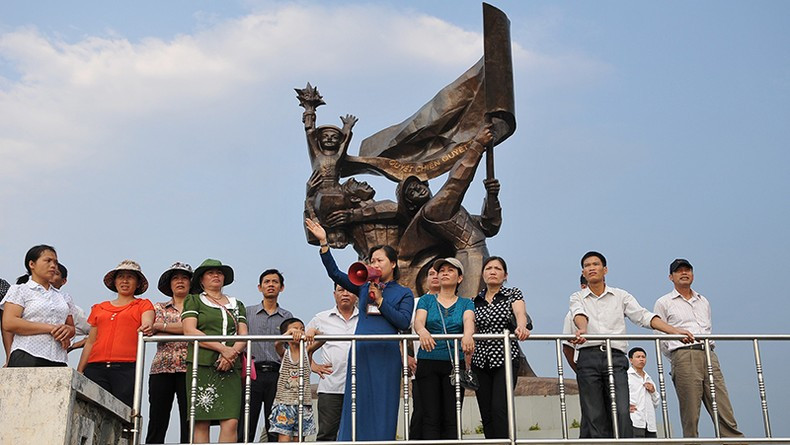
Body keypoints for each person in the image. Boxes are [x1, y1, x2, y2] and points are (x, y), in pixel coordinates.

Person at [305, 217, 414, 441]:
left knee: (384, 404)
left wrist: (381, 301)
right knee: (358, 403)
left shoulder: (404, 293)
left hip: (387, 354)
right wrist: (324, 243)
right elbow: (335, 273)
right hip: (362, 352)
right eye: (372, 260)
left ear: (393, 264)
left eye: (380, 260)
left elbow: (403, 322)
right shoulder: (363, 287)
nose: (375, 264)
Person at [570, 251, 693, 438]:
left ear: (605, 269)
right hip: (589, 356)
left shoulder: (620, 296)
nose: (591, 268)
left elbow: (642, 316)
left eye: (595, 264)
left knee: (622, 410)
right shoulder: (577, 297)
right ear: (583, 272)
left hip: (615, 357)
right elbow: (579, 314)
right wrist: (583, 329)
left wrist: (673, 330)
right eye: (587, 266)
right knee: (594, 413)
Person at [654, 258, 744, 439]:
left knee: (722, 403)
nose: (684, 273)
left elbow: (708, 328)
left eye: (687, 270)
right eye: (679, 271)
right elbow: (660, 336)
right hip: (684, 354)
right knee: (690, 409)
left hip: (709, 353)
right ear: (671, 277)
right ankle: (691, 441)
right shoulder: (664, 302)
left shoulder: (703, 301)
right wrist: (677, 357)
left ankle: (733, 441)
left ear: (693, 275)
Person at [181, 259, 248, 443]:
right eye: (210, 273)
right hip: (201, 365)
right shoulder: (194, 300)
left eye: (219, 272)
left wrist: (231, 354)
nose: (216, 275)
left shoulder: (237, 304)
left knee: (231, 421)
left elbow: (243, 335)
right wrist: (222, 348)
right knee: (201, 422)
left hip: (231, 366)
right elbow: (189, 330)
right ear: (201, 280)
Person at [77, 260, 155, 406]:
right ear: (115, 282)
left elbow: (148, 319)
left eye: (130, 277)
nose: (125, 281)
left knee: (123, 412)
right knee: (94, 411)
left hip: (126, 368)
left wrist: (147, 325)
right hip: (95, 367)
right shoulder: (100, 308)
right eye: (121, 277)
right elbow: (91, 341)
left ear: (138, 283)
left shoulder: (143, 304)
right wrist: (80, 370)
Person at [413, 258, 475, 439]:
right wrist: (422, 331)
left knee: (452, 416)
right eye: (442, 271)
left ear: (460, 278)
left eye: (450, 270)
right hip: (428, 360)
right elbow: (418, 321)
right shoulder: (427, 300)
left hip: (454, 363)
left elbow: (468, 320)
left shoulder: (466, 303)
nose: (445, 273)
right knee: (430, 416)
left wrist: (468, 335)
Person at [472, 256, 530, 439]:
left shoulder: (512, 294)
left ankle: (505, 441)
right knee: (486, 411)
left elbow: (520, 314)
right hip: (480, 361)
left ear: (505, 275)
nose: (493, 272)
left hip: (505, 358)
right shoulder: (475, 300)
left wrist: (521, 326)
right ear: (483, 274)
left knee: (500, 407)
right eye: (489, 268)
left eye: (497, 269)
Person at [240, 268, 294, 443]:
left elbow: (291, 349)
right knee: (246, 424)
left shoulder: (287, 317)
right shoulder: (247, 313)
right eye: (267, 282)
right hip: (251, 373)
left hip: (277, 374)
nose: (271, 285)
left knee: (275, 426)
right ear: (259, 287)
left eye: (275, 282)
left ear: (281, 288)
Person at [1, 245, 75, 367]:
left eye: (55, 262)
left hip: (58, 358)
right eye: (48, 261)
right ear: (32, 264)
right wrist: (50, 328)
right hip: (27, 353)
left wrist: (67, 330)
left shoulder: (64, 297)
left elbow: (71, 327)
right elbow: (9, 322)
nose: (53, 265)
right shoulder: (20, 290)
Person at [145, 262, 193, 444]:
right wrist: (185, 329)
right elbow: (152, 330)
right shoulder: (159, 307)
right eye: (175, 278)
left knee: (189, 419)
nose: (180, 281)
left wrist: (162, 326)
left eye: (184, 278)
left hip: (191, 368)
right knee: (157, 418)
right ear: (170, 284)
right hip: (161, 368)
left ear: (190, 283)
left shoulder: (198, 308)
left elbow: (195, 329)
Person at [304, 284, 359, 441]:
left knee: (358, 434)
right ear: (334, 294)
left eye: (349, 290)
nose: (345, 294)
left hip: (360, 385)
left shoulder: (365, 318)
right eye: (341, 290)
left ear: (356, 295)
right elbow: (301, 347)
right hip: (331, 386)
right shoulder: (321, 318)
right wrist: (313, 365)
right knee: (327, 434)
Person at [269, 317, 317, 441]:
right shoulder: (284, 353)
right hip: (284, 403)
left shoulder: (307, 352)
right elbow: (277, 344)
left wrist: (313, 331)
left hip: (304, 403)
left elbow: (323, 339)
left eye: (302, 329)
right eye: (295, 329)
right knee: (284, 437)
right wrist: (289, 333)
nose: (299, 332)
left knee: (299, 439)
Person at [408, 266, 441, 439]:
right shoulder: (415, 303)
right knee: (420, 413)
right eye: (431, 274)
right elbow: (399, 331)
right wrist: (405, 357)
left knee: (444, 414)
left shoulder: (456, 303)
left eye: (438, 273)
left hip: (447, 366)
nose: (435, 276)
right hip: (421, 368)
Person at [627, 347, 659, 438]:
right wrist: (625, 407)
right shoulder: (627, 376)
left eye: (643, 357)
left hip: (650, 423)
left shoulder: (649, 378)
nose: (641, 359)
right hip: (634, 420)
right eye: (638, 357)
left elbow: (656, 403)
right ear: (631, 360)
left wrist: (653, 391)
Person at [561, 274, 588, 373]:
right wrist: (579, 372)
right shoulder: (572, 314)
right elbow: (567, 348)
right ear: (583, 287)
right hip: (586, 363)